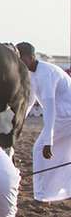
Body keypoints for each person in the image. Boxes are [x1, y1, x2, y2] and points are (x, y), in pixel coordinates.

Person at [17, 42, 71, 202]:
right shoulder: (31, 73)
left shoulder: (46, 73)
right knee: (63, 153)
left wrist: (48, 141)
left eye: (21, 58)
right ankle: (53, 192)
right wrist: (18, 122)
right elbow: (30, 100)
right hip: (62, 116)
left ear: (31, 57)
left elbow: (49, 108)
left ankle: (41, 196)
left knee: (40, 150)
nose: (19, 62)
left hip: (66, 116)